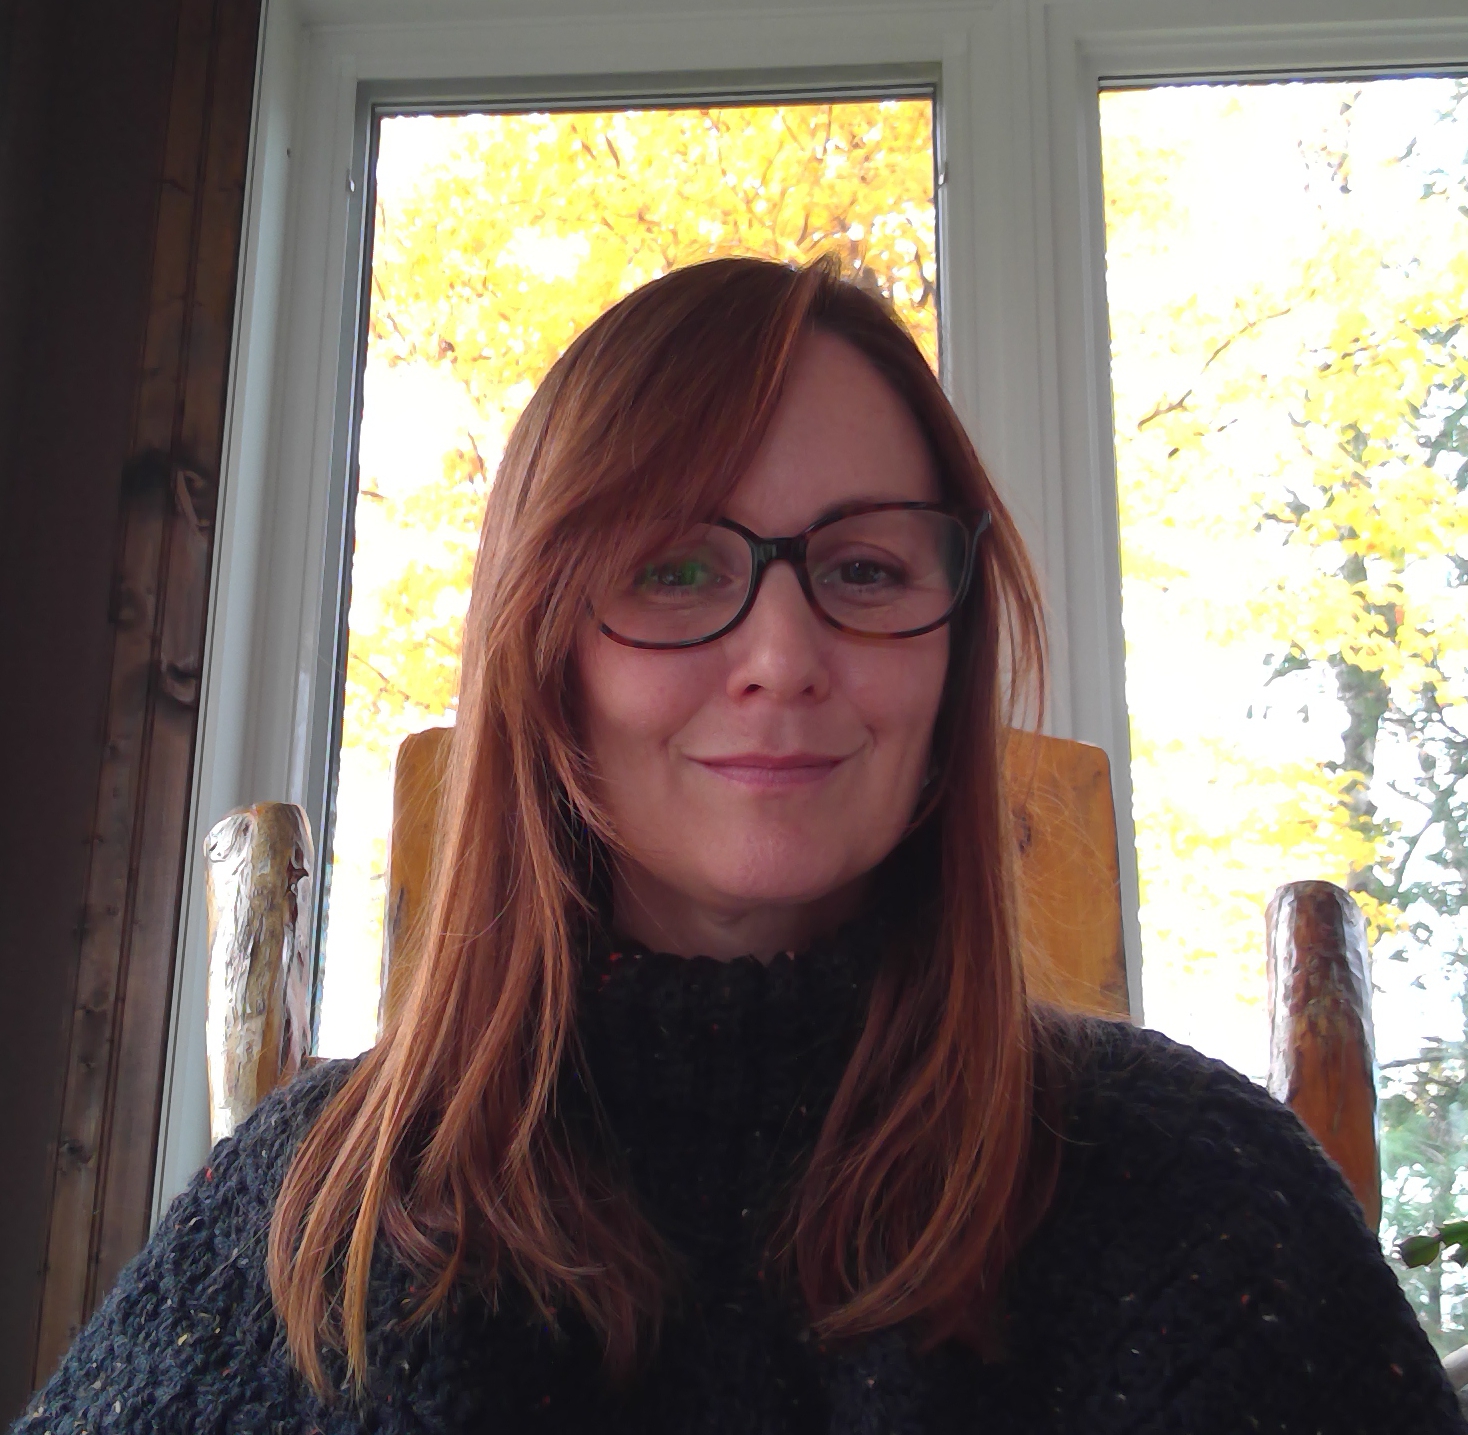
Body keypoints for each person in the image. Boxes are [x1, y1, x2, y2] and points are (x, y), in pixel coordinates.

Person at [14, 256, 1463, 1435]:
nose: (782, 652)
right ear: (543, 654)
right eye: (675, 566)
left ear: (951, 657)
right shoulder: (310, 1216)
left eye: (865, 568)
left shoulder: (1207, 1205)